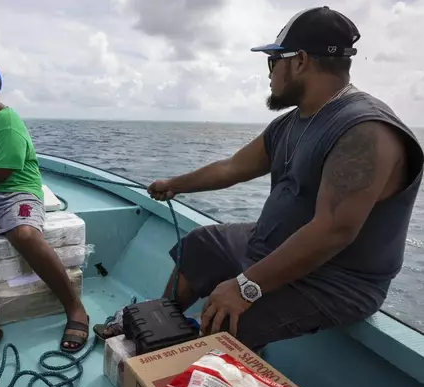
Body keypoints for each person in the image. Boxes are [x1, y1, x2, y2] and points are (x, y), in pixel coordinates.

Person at [94, 6, 424, 352]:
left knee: (229, 318)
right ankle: (158, 323)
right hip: (268, 243)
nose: (268, 74)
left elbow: (334, 230)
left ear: (299, 62)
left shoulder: (365, 132)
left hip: (335, 280)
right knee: (199, 245)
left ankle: (197, 362)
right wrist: (175, 183)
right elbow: (232, 168)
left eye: (272, 61)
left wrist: (246, 286)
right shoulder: (293, 121)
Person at [0, 61, 90, 375]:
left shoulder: (7, 120)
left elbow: (4, 171)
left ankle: (76, 309)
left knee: (24, 234)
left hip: (16, 189)